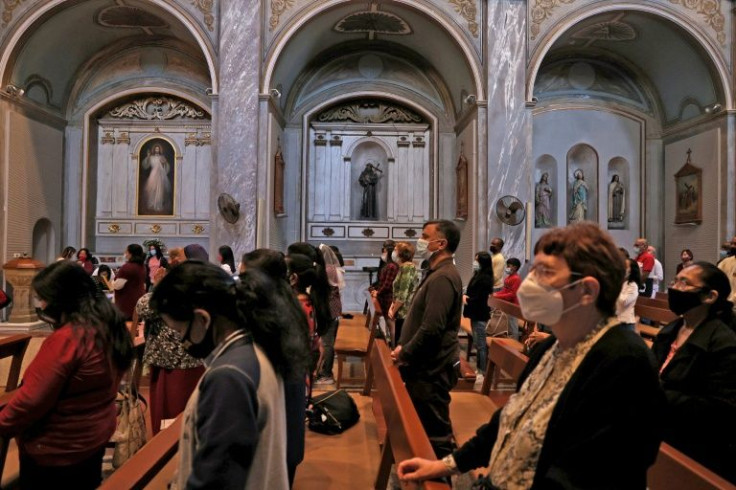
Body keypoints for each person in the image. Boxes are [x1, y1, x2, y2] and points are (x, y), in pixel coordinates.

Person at [397, 223, 665, 488]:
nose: (530, 282)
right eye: (533, 270)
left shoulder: (625, 360)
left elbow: (587, 471)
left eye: (545, 272)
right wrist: (448, 464)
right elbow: (511, 419)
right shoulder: (552, 348)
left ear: (587, 291)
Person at [151, 262, 309, 489]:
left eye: (178, 331)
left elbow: (217, 478)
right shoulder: (255, 346)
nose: (180, 341)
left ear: (202, 319)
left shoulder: (228, 377)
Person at [0, 261, 133, 489]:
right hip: (92, 436)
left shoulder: (69, 338)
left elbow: (32, 400)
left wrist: (3, 423)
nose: (42, 304)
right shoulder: (108, 325)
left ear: (63, 299)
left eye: (44, 298)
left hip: (57, 447)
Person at [652, 262, 736, 483]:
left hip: (694, 446)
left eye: (684, 283)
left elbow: (719, 410)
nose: (674, 287)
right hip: (660, 432)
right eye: (675, 280)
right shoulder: (669, 331)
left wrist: (656, 392)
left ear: (710, 296)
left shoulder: (724, 344)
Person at [391, 220, 463, 459]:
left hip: (432, 369)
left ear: (440, 243)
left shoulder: (443, 277)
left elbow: (432, 328)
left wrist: (405, 352)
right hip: (425, 366)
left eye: (425, 236)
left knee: (436, 435)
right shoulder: (437, 273)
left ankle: (441, 481)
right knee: (424, 427)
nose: (420, 242)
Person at [241, 248, 309, 485]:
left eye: (245, 277)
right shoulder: (289, 302)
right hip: (288, 395)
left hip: (274, 396)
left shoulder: (264, 311)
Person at [135, 270, 204, 435]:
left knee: (171, 412)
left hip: (173, 361)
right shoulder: (200, 292)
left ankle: (171, 451)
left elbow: (143, 307)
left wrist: (160, 287)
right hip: (191, 358)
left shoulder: (171, 295)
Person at [463, 252, 494, 375]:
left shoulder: (486, 278)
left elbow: (480, 297)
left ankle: (482, 371)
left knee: (481, 344)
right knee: (477, 342)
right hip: (474, 313)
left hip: (480, 313)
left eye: (477, 261)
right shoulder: (478, 275)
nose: (475, 263)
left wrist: (467, 299)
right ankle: (480, 368)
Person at [388, 242, 419, 348]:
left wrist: (393, 310)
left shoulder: (407, 268)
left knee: (400, 344)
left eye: (395, 250)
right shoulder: (402, 267)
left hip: (405, 312)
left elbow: (403, 294)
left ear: (402, 254)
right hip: (401, 311)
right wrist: (392, 305)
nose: (393, 252)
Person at [372, 241, 399, 337]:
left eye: (384, 251)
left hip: (388, 297)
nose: (382, 253)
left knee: (391, 324)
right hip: (384, 297)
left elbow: (387, 284)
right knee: (388, 324)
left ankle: (392, 347)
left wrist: (378, 292)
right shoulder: (387, 265)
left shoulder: (392, 266)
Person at [113, 244, 147, 320]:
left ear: (130, 253)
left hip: (126, 303)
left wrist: (112, 283)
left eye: (126, 251)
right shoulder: (142, 266)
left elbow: (118, 286)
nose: (125, 253)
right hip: (138, 301)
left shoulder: (127, 267)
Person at [492, 257, 522, 340]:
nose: (507, 267)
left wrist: (497, 296)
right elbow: (504, 290)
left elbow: (512, 294)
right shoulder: (508, 278)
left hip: (513, 306)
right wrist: (495, 294)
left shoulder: (516, 278)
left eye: (509, 266)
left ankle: (515, 344)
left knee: (513, 326)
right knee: (508, 326)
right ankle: (510, 342)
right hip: (507, 305)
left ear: (515, 267)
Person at [142, 144, 171, 213]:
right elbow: (145, 165)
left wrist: (164, 163)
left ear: (159, 150)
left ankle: (158, 204)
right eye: (156, 149)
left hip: (160, 174)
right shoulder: (151, 157)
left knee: (160, 189)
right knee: (151, 189)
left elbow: (166, 166)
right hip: (153, 173)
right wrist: (148, 157)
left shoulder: (162, 157)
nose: (157, 150)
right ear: (154, 150)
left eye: (158, 149)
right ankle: (152, 204)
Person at [617, 258, 641, 331]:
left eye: (625, 266)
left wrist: (615, 290)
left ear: (631, 270)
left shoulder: (633, 285)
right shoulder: (623, 283)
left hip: (625, 323)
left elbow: (624, 301)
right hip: (616, 320)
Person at [717, 236, 736, 302]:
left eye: (735, 244)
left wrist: (732, 300)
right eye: (732, 243)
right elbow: (716, 277)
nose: (733, 246)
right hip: (726, 303)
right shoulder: (725, 262)